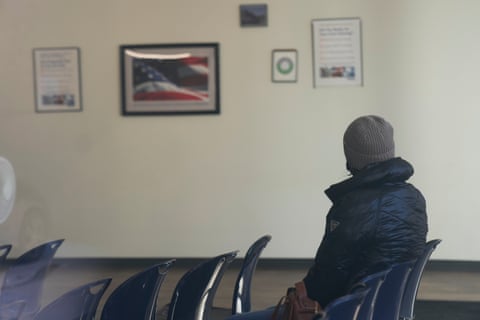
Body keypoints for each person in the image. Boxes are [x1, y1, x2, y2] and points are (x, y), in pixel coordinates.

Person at [225, 115, 428, 320]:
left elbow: (329, 277)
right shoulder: (414, 197)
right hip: (388, 309)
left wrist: (298, 294)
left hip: (350, 311)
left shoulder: (353, 206)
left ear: (350, 156)